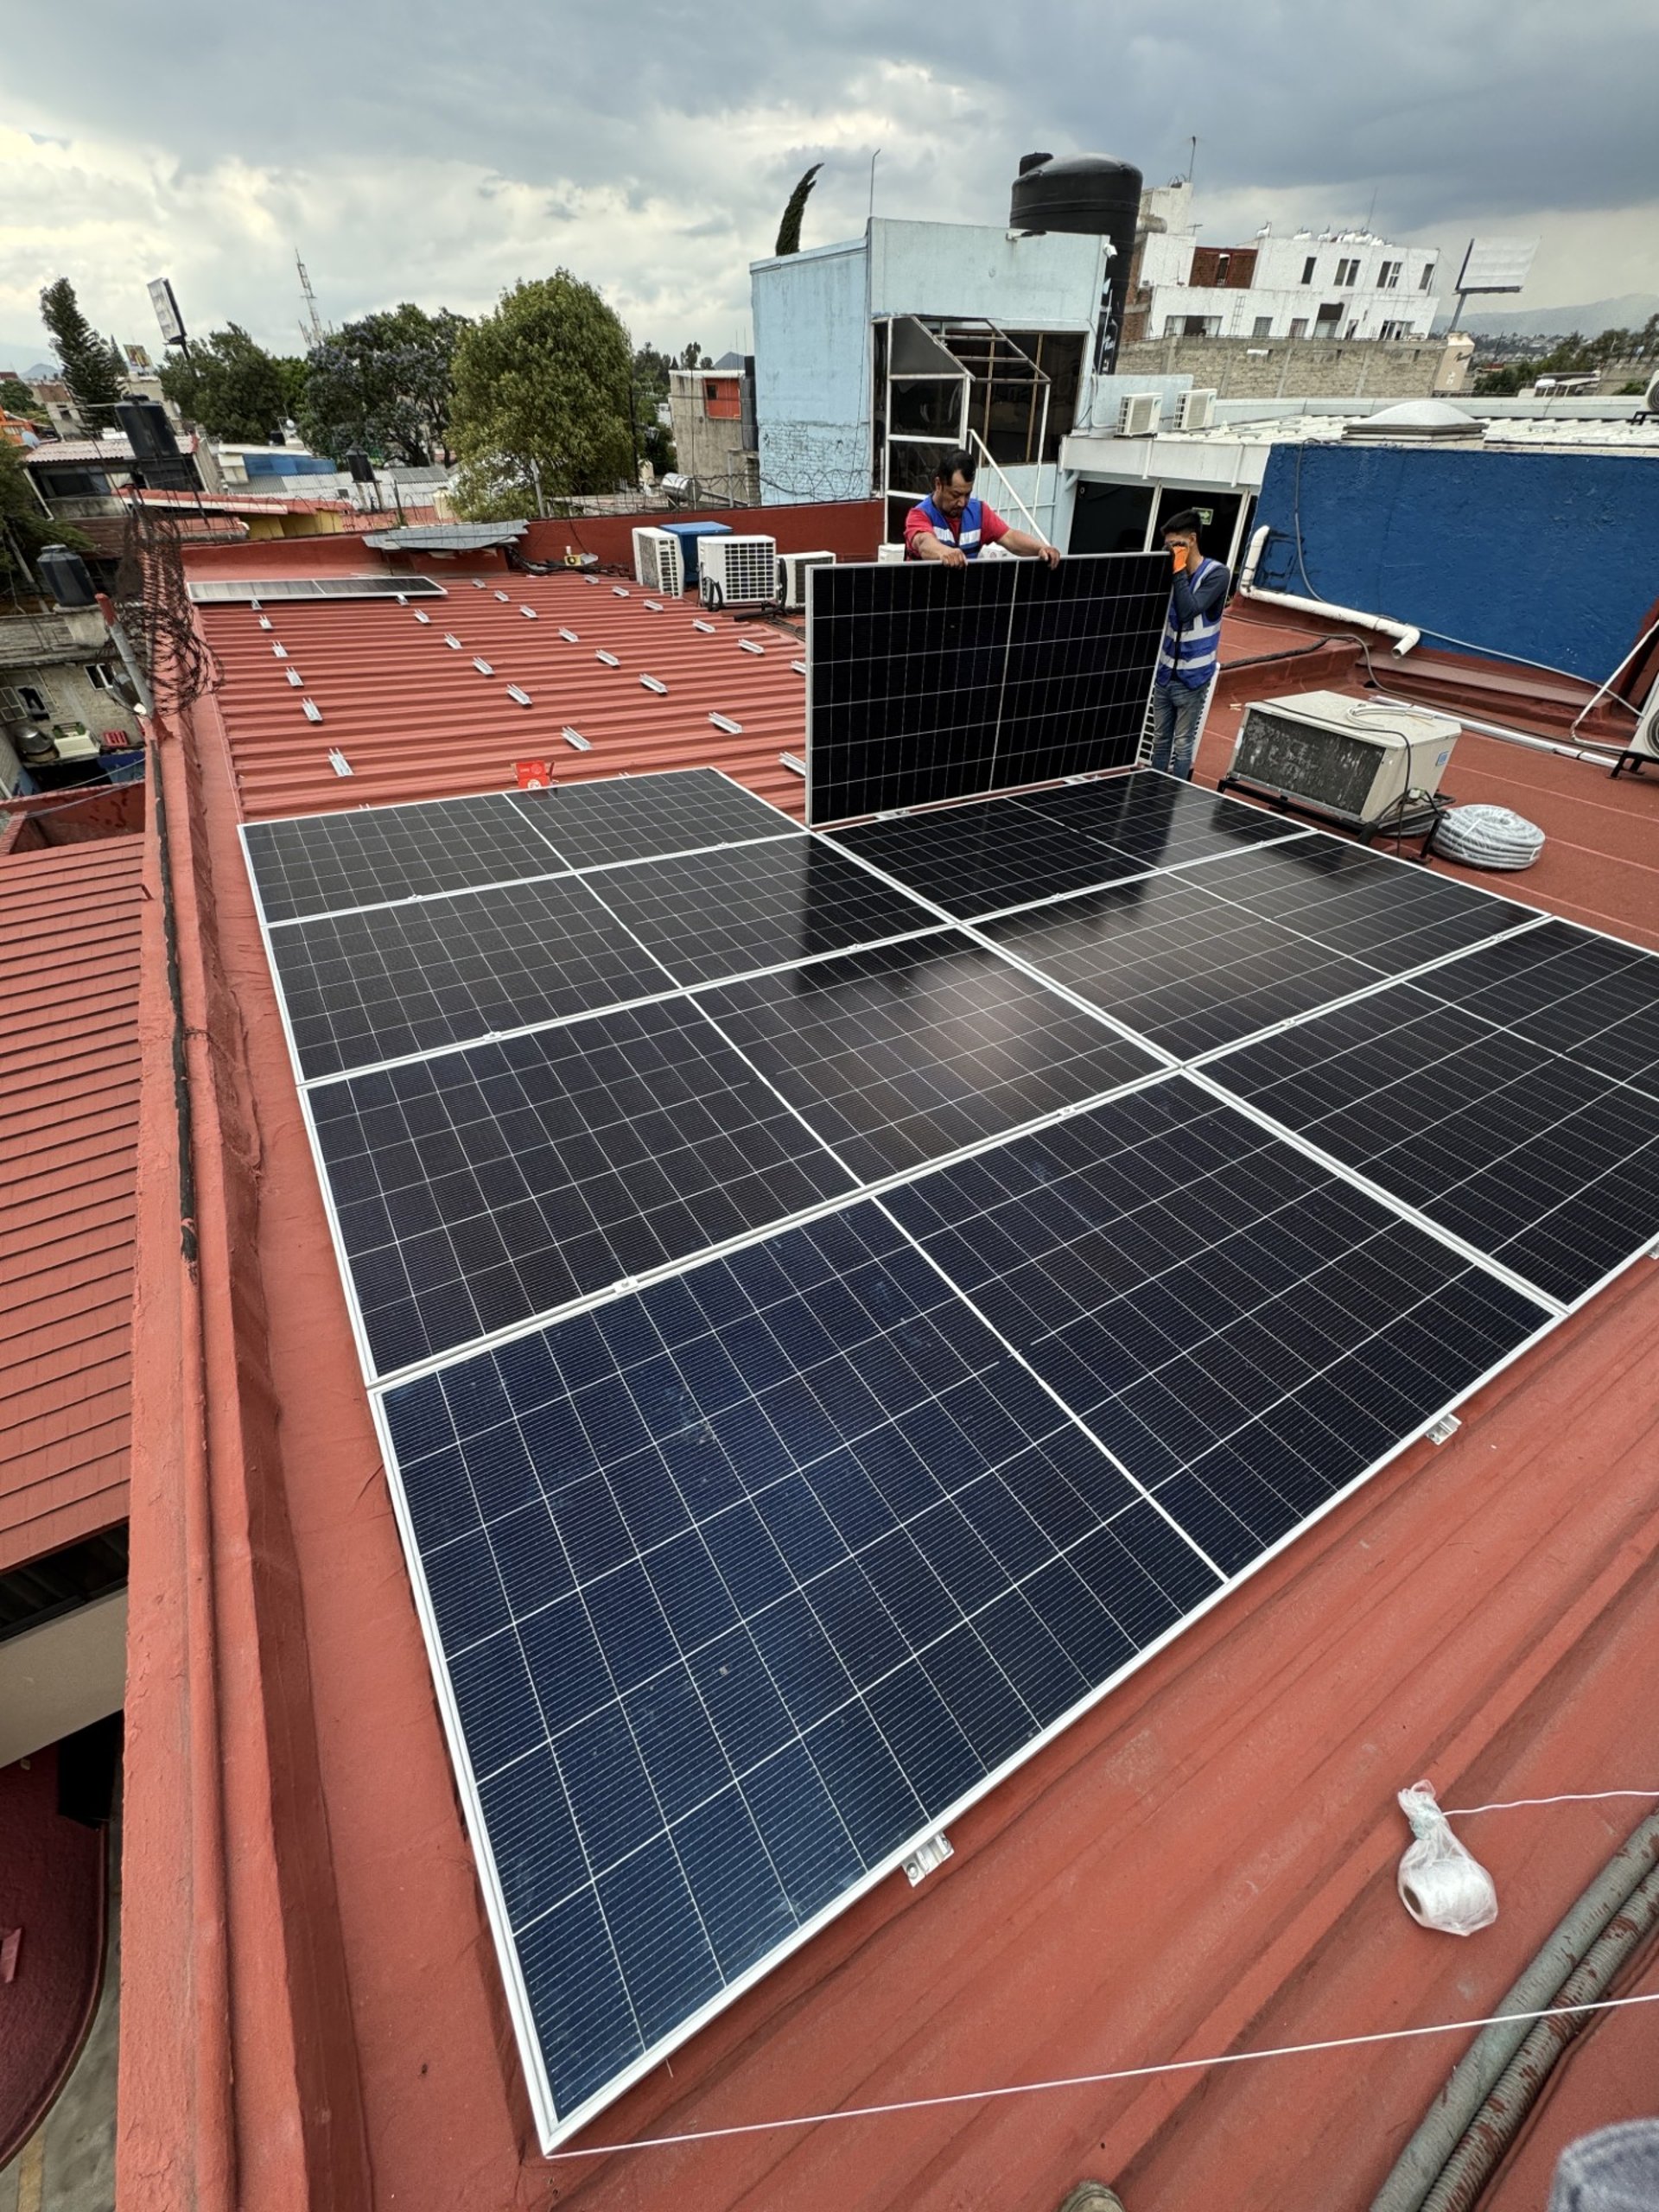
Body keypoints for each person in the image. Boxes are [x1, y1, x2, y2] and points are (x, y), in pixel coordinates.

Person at [1149, 508, 1229, 779]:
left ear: (1192, 540)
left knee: (1182, 745)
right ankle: (1151, 792)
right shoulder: (1172, 572)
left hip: (1192, 678)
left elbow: (1188, 610)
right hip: (1165, 675)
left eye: (1176, 545)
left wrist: (1179, 571)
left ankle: (1173, 793)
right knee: (1160, 741)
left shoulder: (1217, 575)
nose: (1171, 551)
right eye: (1168, 546)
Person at [905, 450, 1061, 568]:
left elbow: (1010, 538)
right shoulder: (919, 515)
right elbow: (924, 543)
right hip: (922, 602)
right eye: (956, 494)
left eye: (967, 494)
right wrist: (944, 552)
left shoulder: (979, 513)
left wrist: (1041, 548)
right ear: (939, 485)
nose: (962, 502)